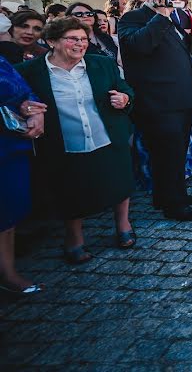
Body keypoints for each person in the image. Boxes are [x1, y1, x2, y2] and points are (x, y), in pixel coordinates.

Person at [16, 17, 137, 263]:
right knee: (70, 189)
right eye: (73, 38)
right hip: (63, 141)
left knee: (119, 180)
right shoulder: (30, 72)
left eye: (83, 39)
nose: (80, 44)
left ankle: (123, 225)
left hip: (107, 134)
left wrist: (124, 98)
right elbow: (16, 100)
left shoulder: (102, 64)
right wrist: (25, 107)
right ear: (52, 41)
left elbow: (126, 89)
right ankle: (74, 238)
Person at [118, 0, 192, 221]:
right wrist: (159, 15)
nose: (168, 1)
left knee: (176, 153)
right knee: (166, 154)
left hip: (180, 99)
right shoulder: (133, 18)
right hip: (157, 101)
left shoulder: (172, 19)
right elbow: (139, 46)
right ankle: (174, 205)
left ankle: (168, 195)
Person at [0, 56, 45, 296]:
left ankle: (7, 273)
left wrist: (33, 109)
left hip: (7, 146)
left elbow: (21, 89)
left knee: (7, 211)